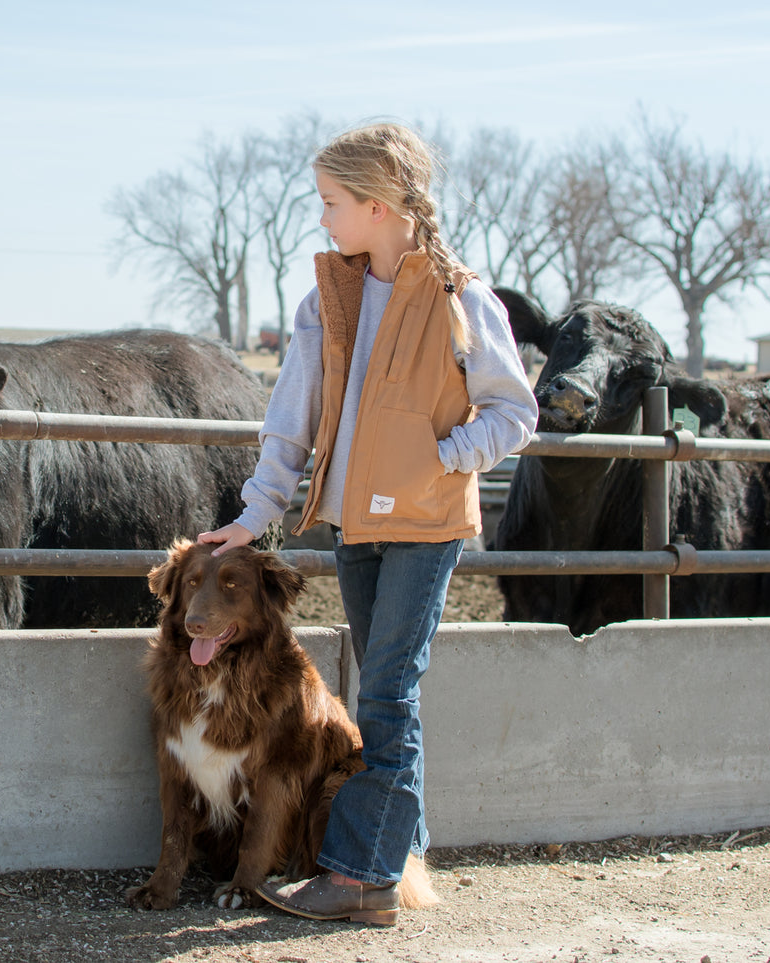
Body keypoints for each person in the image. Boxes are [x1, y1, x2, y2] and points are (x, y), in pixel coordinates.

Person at [197, 122, 538, 925]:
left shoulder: (463, 300)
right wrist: (255, 515)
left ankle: (362, 877)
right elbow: (293, 415)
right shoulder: (328, 299)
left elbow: (513, 411)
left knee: (385, 694)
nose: (322, 218)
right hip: (355, 527)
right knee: (381, 692)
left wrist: (443, 456)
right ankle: (398, 862)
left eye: (331, 202)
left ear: (378, 206)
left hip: (426, 526)